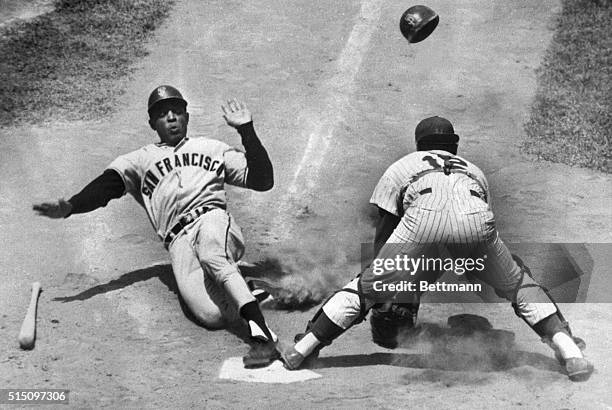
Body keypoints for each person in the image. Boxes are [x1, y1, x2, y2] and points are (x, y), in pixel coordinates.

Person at [280, 116, 594, 381]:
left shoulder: (402, 166)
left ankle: (303, 348)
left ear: (419, 144)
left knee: (365, 288)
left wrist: (382, 284)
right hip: (476, 224)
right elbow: (465, 235)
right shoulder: (474, 170)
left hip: (422, 223)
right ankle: (569, 350)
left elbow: (387, 233)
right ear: (454, 146)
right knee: (518, 283)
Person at [33, 85, 280, 368]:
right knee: (212, 316)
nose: (171, 118)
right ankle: (250, 288)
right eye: (162, 114)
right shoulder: (139, 160)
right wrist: (72, 206)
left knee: (213, 254)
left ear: (187, 116)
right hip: (178, 243)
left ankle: (263, 338)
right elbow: (106, 187)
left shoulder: (212, 148)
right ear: (153, 123)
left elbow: (263, 180)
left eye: (176, 111)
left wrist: (246, 130)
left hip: (211, 219)